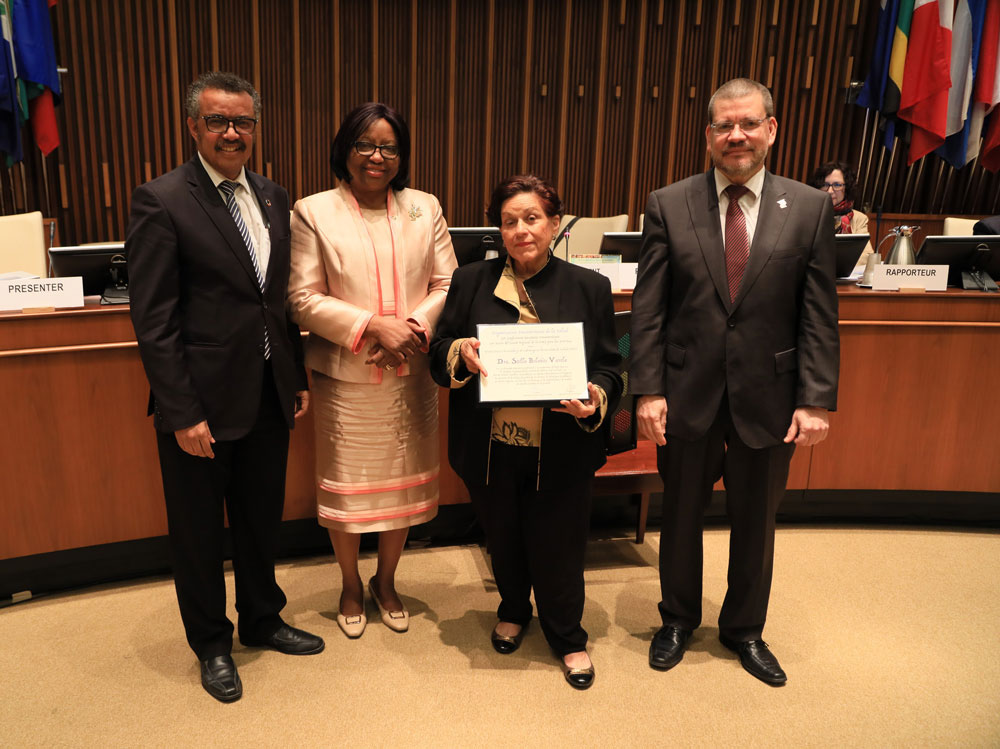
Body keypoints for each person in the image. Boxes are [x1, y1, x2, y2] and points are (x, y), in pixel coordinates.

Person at [631, 78, 839, 686]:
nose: (736, 135)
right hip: (686, 390)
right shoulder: (668, 203)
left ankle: (745, 629)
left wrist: (815, 399)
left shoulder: (808, 207)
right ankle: (676, 620)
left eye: (748, 123)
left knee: (756, 521)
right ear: (708, 136)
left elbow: (818, 312)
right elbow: (650, 308)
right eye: (724, 125)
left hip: (769, 397)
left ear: (771, 129)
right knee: (681, 516)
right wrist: (647, 389)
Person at [127, 71, 324, 703]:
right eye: (218, 121)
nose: (232, 133)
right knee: (198, 532)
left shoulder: (272, 195)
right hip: (200, 404)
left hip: (267, 392)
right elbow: (154, 320)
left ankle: (262, 618)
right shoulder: (161, 200)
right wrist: (182, 412)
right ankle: (212, 643)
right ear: (193, 127)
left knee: (260, 518)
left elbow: (276, 301)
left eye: (242, 122)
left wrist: (290, 375)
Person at [429, 175, 622, 690]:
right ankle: (513, 609)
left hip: (560, 444)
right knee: (504, 537)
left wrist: (596, 397)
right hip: (489, 444)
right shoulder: (469, 281)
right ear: (499, 229)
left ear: (555, 224)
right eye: (509, 221)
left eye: (532, 218)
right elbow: (439, 349)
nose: (521, 230)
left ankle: (568, 636)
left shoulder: (589, 287)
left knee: (559, 546)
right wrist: (460, 354)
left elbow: (611, 365)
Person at [288, 102, 456, 640]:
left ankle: (386, 582)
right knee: (349, 491)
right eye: (365, 145)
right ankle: (350, 584)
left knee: (400, 492)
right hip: (346, 376)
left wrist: (406, 330)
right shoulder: (313, 211)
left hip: (410, 373)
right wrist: (370, 327)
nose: (376, 156)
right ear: (345, 150)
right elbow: (302, 298)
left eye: (388, 146)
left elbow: (447, 284)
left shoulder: (422, 207)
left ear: (401, 155)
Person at [809, 160, 873, 270]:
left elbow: (865, 256)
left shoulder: (859, 218)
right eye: (825, 185)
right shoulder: (807, 214)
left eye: (837, 185)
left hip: (846, 277)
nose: (829, 191)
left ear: (847, 187)